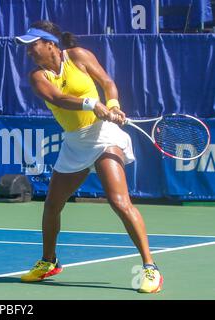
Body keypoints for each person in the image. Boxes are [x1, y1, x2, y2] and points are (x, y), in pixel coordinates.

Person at [15, 21, 163, 294]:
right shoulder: (38, 76)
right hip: (75, 142)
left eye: (32, 45)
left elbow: (107, 82)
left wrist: (113, 104)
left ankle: (150, 268)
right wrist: (91, 104)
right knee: (52, 205)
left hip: (104, 135)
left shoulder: (78, 56)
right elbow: (58, 99)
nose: (28, 52)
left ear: (50, 43)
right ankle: (49, 262)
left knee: (119, 202)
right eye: (25, 47)